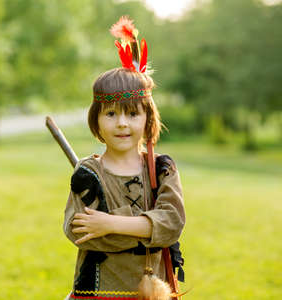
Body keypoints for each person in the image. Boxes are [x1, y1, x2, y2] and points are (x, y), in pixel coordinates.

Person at [63, 16, 185, 300]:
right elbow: (81, 231)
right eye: (111, 113)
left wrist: (109, 223)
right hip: (99, 289)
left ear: (147, 118)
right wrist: (146, 228)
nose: (122, 123)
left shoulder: (161, 168)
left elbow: (172, 224)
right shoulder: (88, 172)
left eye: (132, 114)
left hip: (154, 291)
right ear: (97, 119)